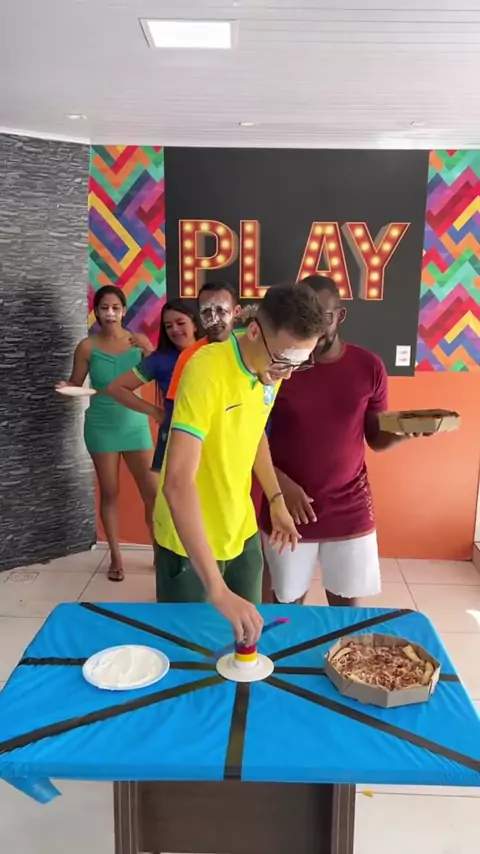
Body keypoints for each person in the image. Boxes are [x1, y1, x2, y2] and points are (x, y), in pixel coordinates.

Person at [155, 283, 325, 644]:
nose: (288, 373)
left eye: (299, 363)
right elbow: (177, 483)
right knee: (192, 650)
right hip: (190, 539)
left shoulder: (271, 369)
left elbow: (254, 432)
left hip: (241, 529)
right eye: (284, 360)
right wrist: (216, 589)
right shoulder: (206, 369)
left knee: (247, 644)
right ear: (255, 331)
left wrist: (276, 500)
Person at [260, 275, 430, 608]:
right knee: (286, 607)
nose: (313, 327)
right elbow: (249, 437)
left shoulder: (369, 367)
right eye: (303, 316)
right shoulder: (279, 367)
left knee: (347, 613)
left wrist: (404, 431)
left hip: (350, 506)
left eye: (322, 316)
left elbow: (376, 439)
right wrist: (280, 487)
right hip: (287, 505)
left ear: (340, 315)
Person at [56, 285, 158, 582]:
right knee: (110, 492)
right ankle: (115, 556)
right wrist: (65, 389)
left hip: (135, 423)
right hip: (101, 425)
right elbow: (76, 384)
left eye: (115, 307)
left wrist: (149, 350)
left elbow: (163, 373)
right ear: (97, 312)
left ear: (124, 311)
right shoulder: (87, 347)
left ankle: (159, 552)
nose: (110, 313)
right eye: (104, 308)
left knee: (152, 493)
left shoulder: (138, 343)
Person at [107, 298, 200, 472]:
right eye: (168, 326)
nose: (175, 330)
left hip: (213, 436)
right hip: (175, 438)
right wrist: (156, 412)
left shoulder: (214, 353)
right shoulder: (159, 361)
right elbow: (116, 388)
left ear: (194, 324)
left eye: (180, 323)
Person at [165, 280, 241, 402]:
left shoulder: (251, 351)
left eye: (221, 310)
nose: (213, 320)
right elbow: (174, 405)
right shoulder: (189, 357)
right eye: (206, 312)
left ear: (236, 312)